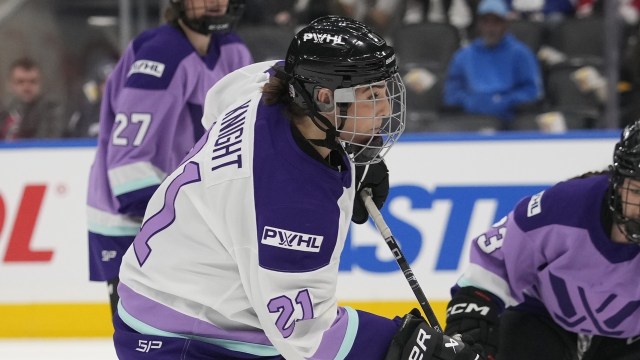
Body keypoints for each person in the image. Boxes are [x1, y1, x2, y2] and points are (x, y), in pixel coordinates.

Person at [113, 15, 483, 360]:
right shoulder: (291, 203)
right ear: (323, 98)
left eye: (384, 91)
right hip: (181, 336)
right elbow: (309, 339)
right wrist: (407, 345)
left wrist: (346, 154)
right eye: (371, 96)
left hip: (189, 295)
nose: (386, 109)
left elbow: (219, 100)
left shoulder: (271, 84)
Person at [86, 0, 253, 317]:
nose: (216, 3)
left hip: (187, 213)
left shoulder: (234, 50)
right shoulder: (160, 54)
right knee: (150, 338)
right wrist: (200, 215)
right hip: (133, 224)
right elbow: (129, 172)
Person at [444, 120, 640, 359]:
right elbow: (493, 267)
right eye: (637, 191)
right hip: (543, 317)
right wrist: (471, 323)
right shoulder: (564, 208)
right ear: (617, 183)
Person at [443, 0, 542, 128]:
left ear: (506, 24)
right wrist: (471, 102)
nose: (490, 28)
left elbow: (532, 91)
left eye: (496, 22)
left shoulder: (521, 54)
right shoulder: (463, 56)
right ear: (479, 24)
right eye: (486, 22)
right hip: (469, 122)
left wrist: (506, 101)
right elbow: (451, 92)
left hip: (511, 122)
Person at [0, 57, 64, 140]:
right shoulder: (4, 111)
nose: (27, 87)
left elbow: (47, 143)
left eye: (33, 81)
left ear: (41, 84)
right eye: (20, 82)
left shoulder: (50, 110)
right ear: (10, 84)